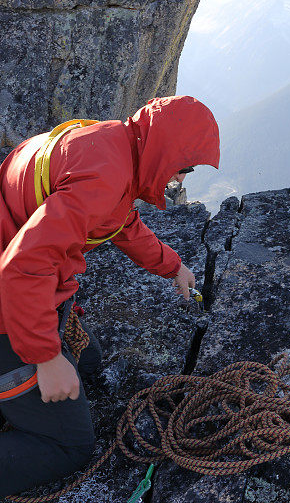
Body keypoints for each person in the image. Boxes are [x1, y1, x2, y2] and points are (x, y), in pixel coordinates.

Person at [0, 95, 220, 497]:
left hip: (27, 285)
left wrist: (174, 266)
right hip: (8, 302)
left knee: (88, 361)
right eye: (184, 166)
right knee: (67, 445)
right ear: (165, 148)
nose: (182, 179)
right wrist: (46, 358)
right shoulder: (106, 175)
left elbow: (120, 222)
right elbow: (21, 266)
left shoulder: (113, 145)